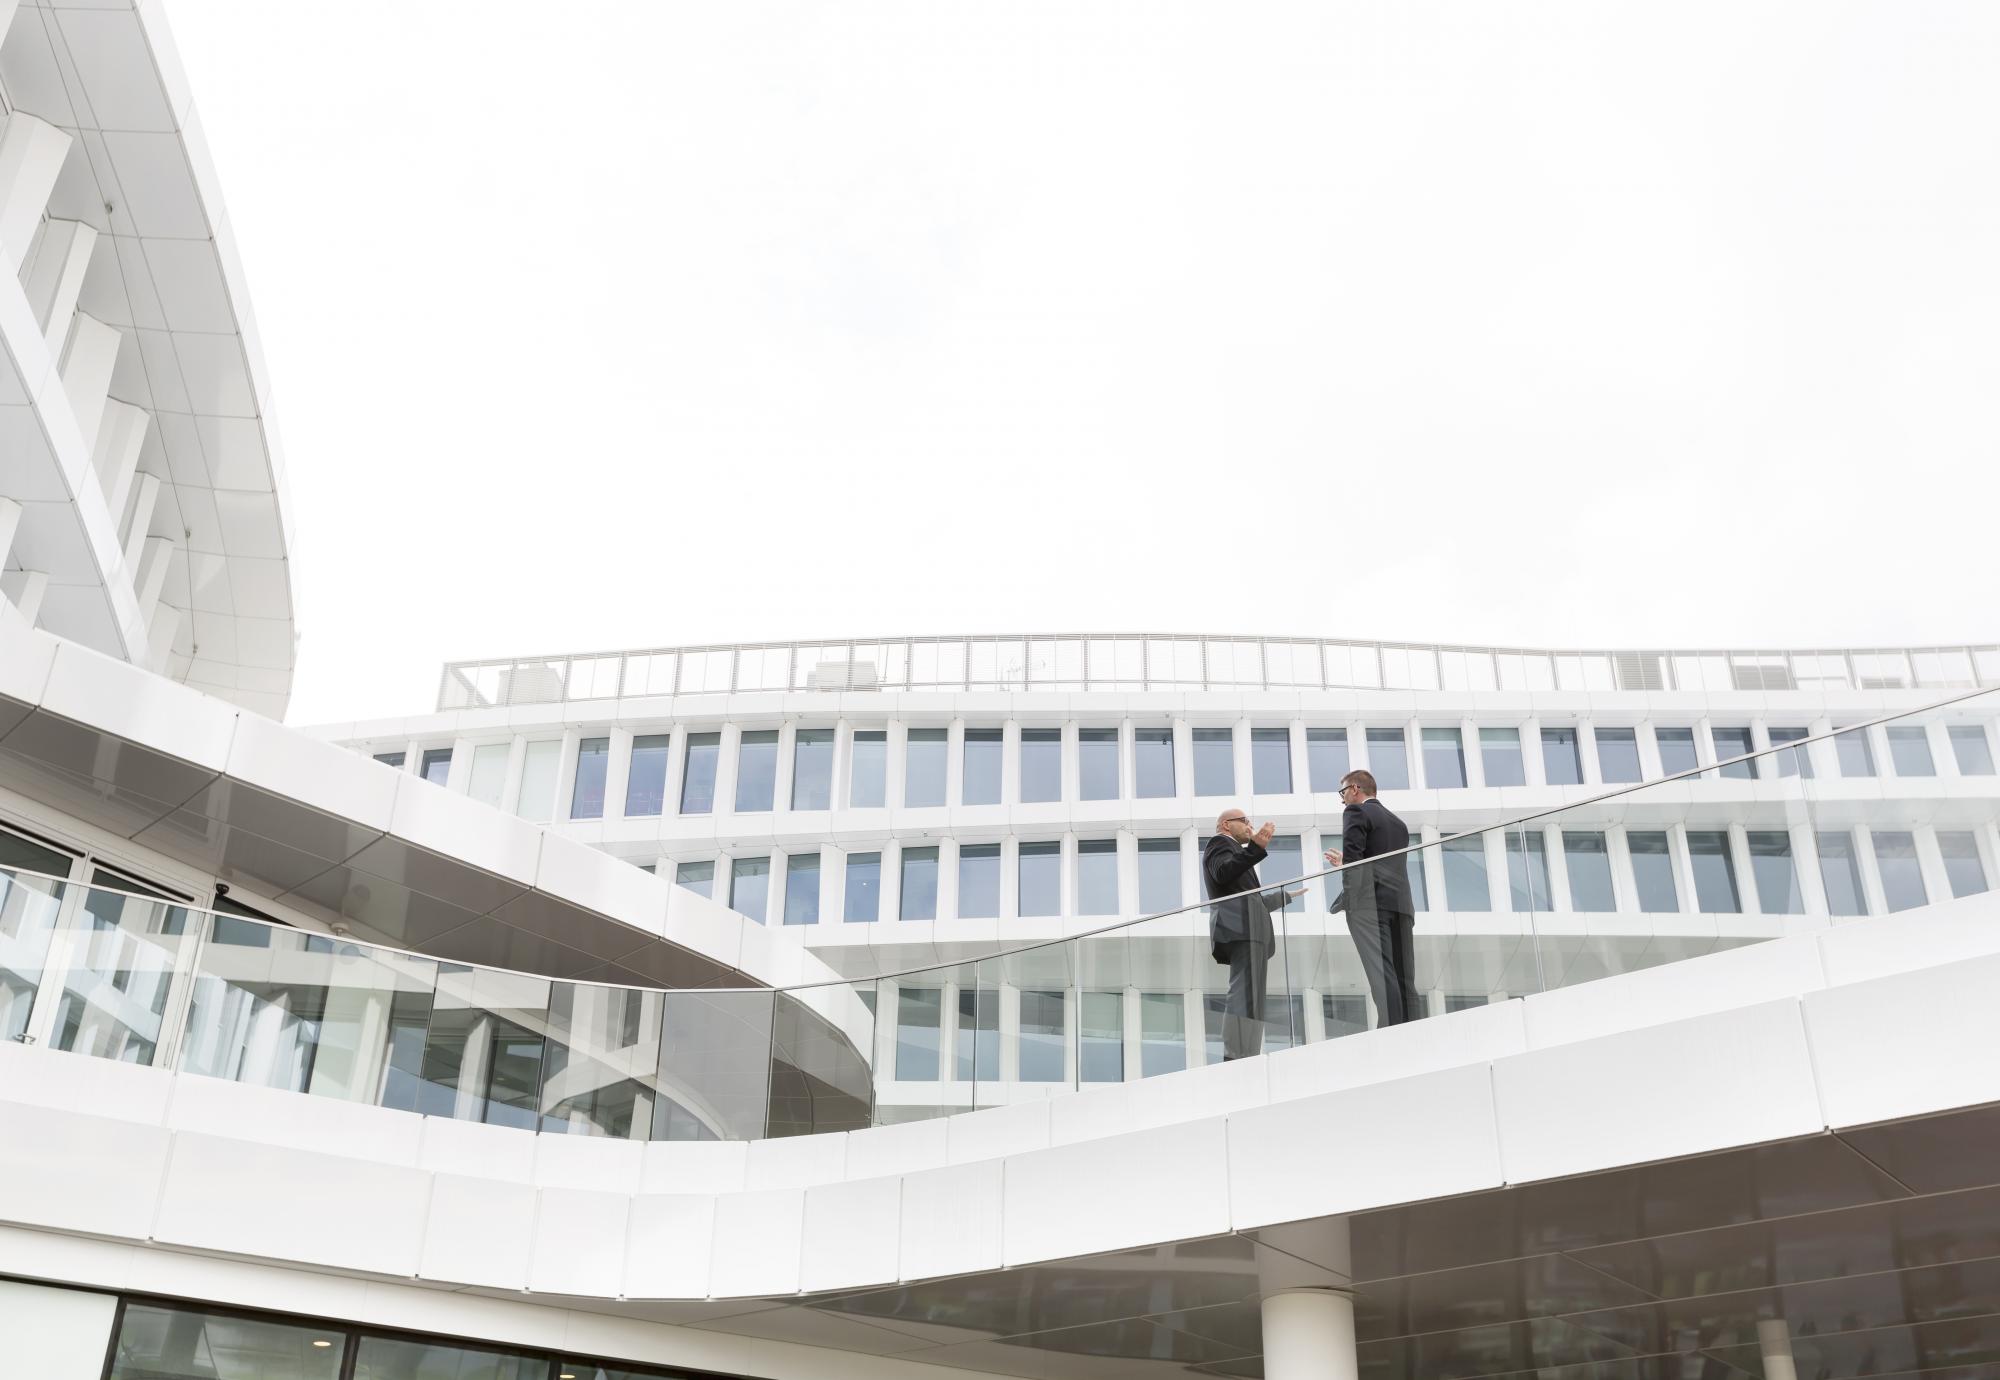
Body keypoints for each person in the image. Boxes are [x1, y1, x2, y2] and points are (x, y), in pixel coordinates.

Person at [1323, 769, 1420, 1026]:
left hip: (1370, 906)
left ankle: (1389, 1032)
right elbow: (1381, 862)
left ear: (1355, 789)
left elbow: (1355, 863)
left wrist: (1351, 903)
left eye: (1342, 792)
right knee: (1404, 977)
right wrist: (1347, 863)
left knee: (1381, 972)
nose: (1342, 799)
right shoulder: (1398, 823)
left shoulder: (1356, 812)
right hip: (1400, 904)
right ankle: (1413, 1030)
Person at [1203, 809, 1302, 1060]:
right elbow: (1223, 873)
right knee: (1243, 991)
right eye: (1245, 821)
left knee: (1255, 997)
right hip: (1239, 928)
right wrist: (1255, 848)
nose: (1250, 826)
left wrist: (1284, 896)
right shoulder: (1219, 843)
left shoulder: (1237, 850)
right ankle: (1235, 1055)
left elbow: (1252, 899)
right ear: (1226, 825)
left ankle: (1248, 1053)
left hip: (1252, 928)